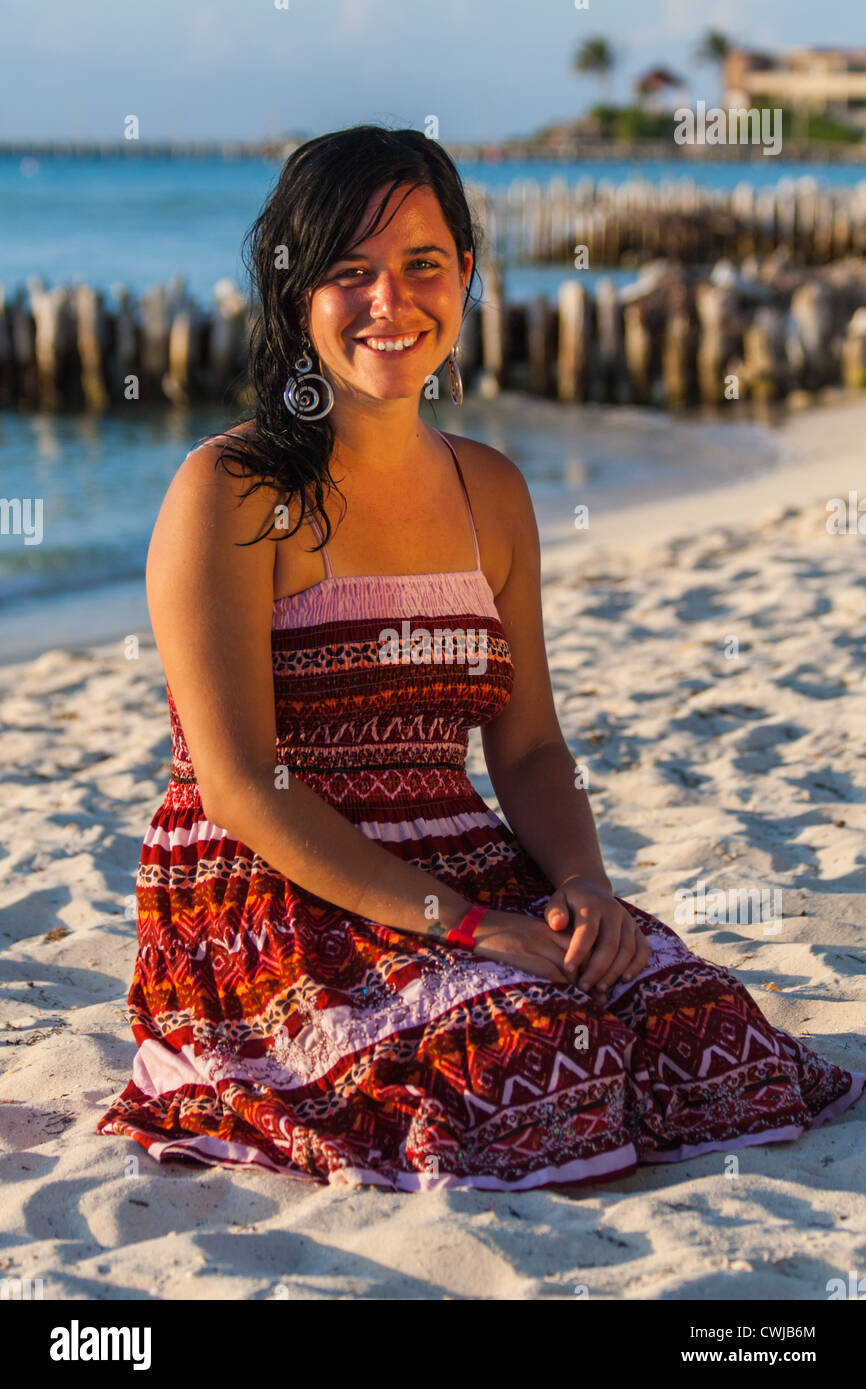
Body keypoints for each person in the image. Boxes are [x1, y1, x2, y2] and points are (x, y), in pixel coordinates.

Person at [97, 125, 865, 1191]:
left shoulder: (490, 492)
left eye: (421, 264)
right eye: (348, 273)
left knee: (699, 1025)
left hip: (460, 849)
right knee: (528, 1055)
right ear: (294, 292)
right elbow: (234, 784)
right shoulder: (228, 490)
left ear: (465, 273)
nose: (389, 303)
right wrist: (462, 926)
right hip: (267, 883)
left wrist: (582, 887)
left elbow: (533, 746)